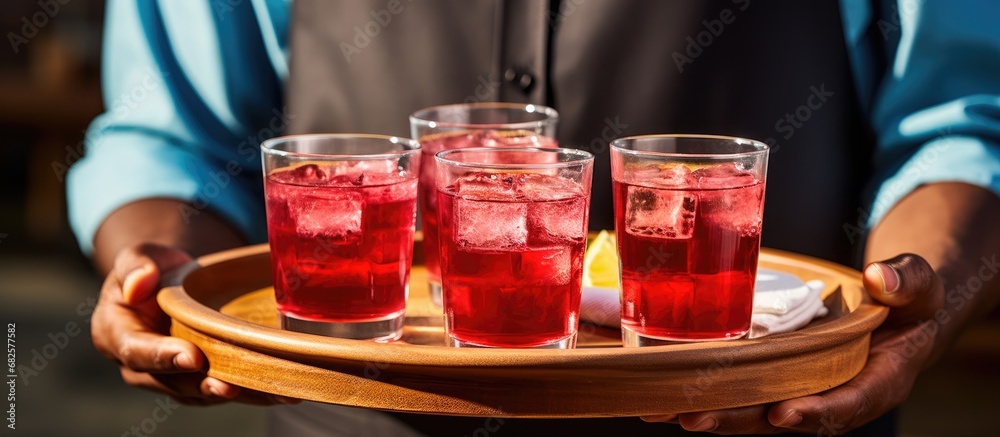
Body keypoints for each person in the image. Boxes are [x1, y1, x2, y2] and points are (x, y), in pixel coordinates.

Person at [70, 0, 1000, 435]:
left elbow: (967, 119)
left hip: (761, 417)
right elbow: (169, 134)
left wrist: (919, 302)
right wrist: (158, 275)